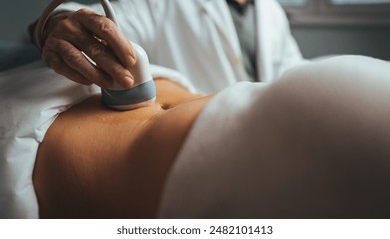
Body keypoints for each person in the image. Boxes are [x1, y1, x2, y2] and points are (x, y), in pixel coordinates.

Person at [31, 55, 390, 219]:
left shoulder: (271, 12)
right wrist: (57, 21)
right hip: (55, 88)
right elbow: (84, 12)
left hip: (30, 143)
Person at [29, 0, 303, 94]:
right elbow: (98, 21)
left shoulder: (271, 8)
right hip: (199, 142)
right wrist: (56, 23)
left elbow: (295, 72)